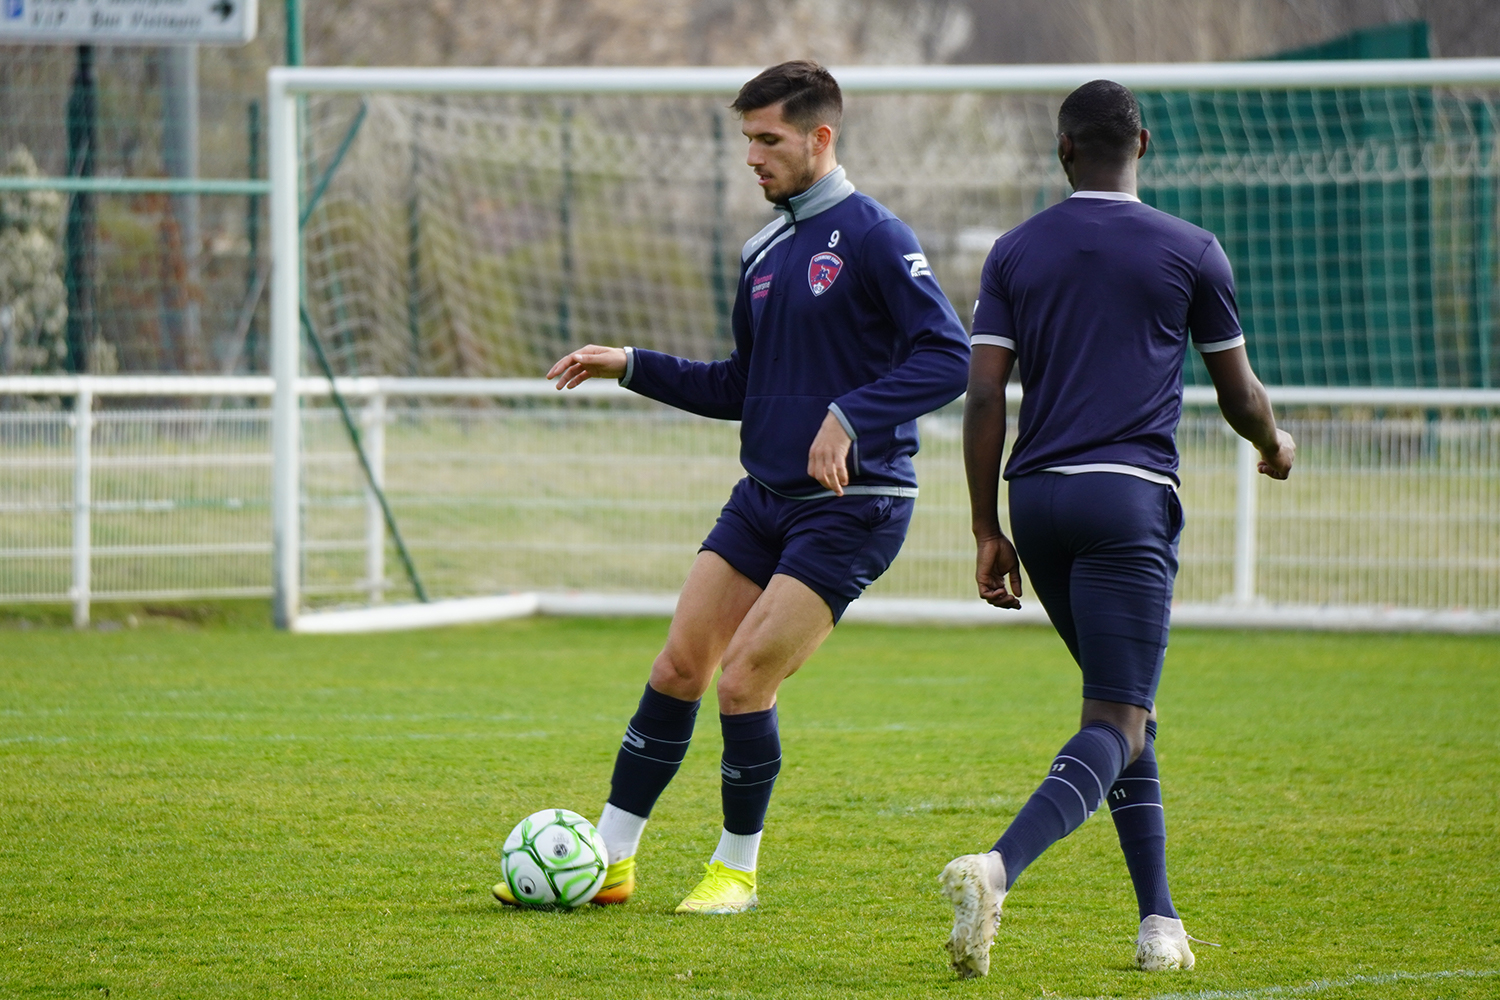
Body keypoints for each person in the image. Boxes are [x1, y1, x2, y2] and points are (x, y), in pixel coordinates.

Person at [493, 60, 970, 914]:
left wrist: (851, 416)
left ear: (820, 138)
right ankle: (610, 859)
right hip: (763, 497)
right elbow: (737, 389)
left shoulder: (874, 235)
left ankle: (735, 871)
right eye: (746, 140)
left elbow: (949, 356)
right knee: (680, 665)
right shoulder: (762, 251)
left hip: (855, 508)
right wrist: (630, 365)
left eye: (768, 140)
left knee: (744, 681)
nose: (752, 157)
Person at [940, 79, 1296, 977]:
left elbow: (984, 394)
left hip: (1039, 500)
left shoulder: (1014, 251)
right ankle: (998, 867)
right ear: (1144, 141)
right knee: (1116, 715)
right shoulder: (1191, 249)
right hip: (1126, 499)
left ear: (1063, 152)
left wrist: (986, 528)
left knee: (1125, 712)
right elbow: (1239, 394)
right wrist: (1276, 443)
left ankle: (1158, 924)